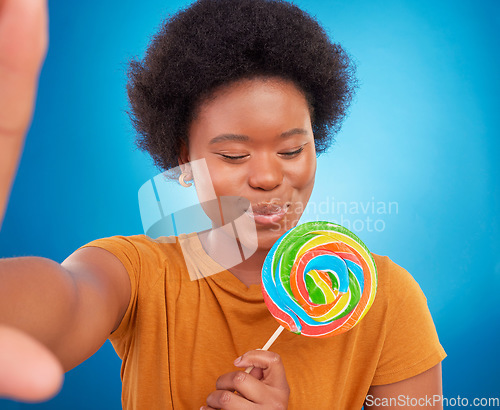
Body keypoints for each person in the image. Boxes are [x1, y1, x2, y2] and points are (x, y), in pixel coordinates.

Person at [0, 0, 446, 408]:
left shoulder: (382, 297)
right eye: (234, 155)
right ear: (183, 159)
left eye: (292, 150)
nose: (269, 177)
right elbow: (71, 299)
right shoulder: (141, 273)